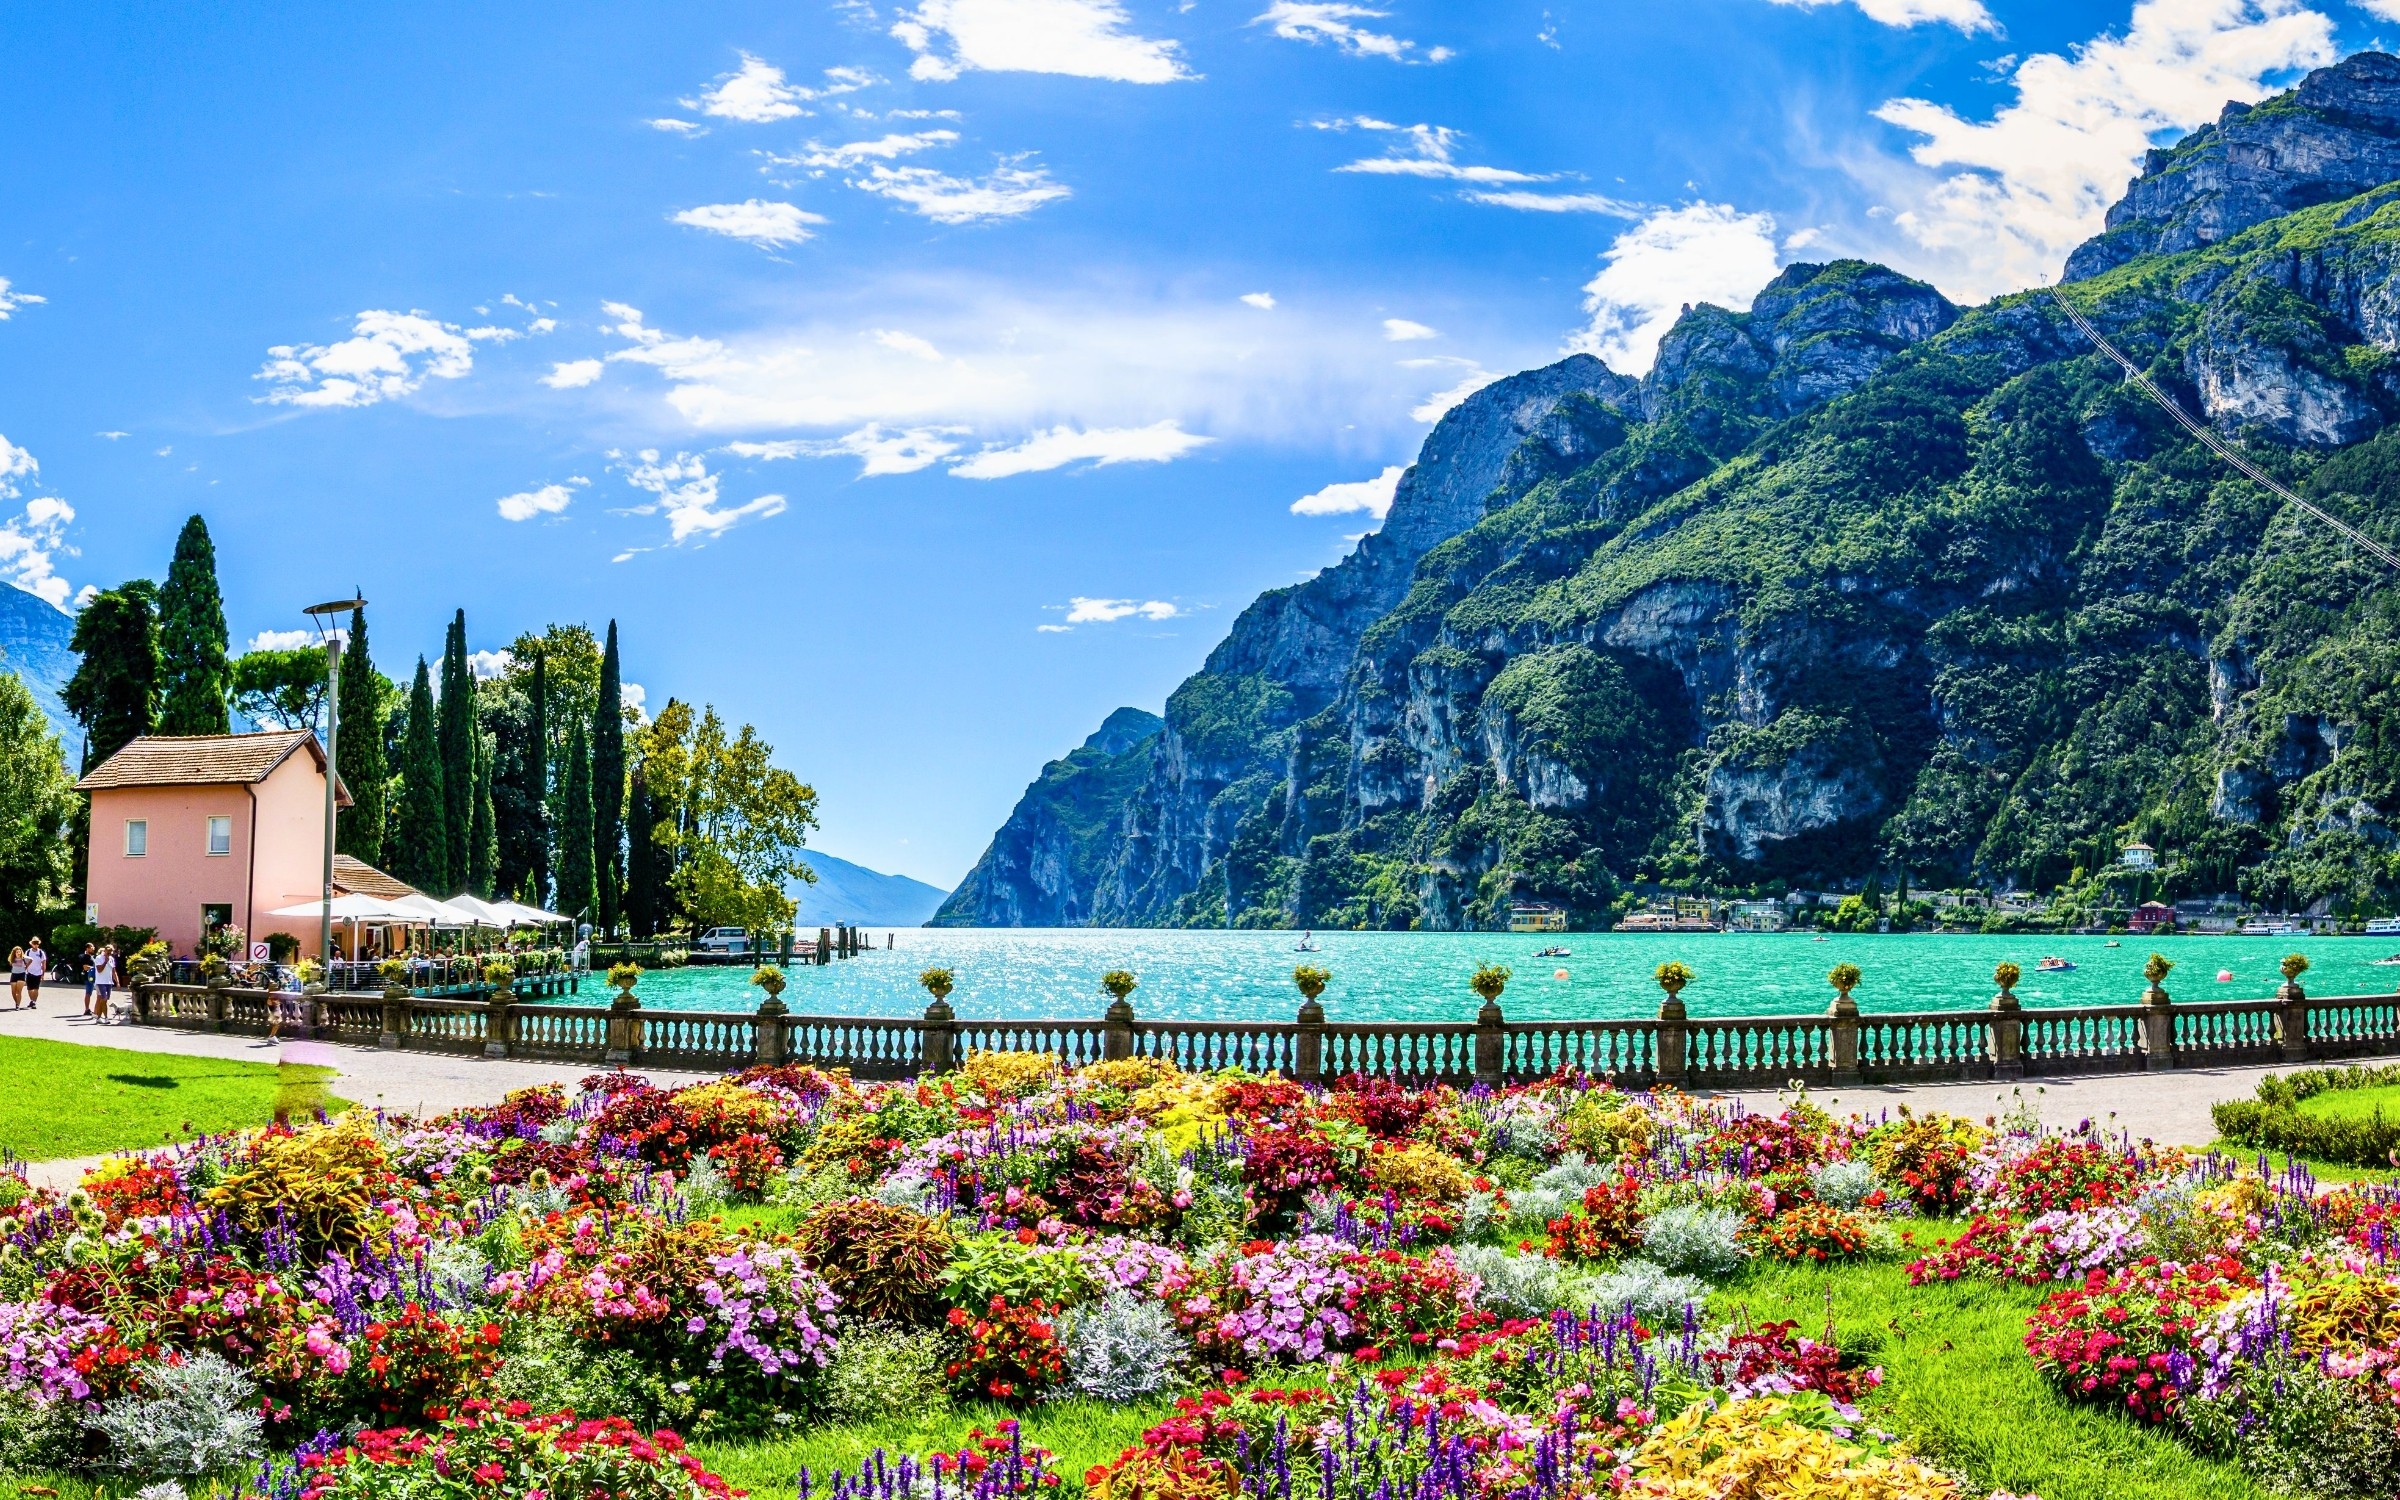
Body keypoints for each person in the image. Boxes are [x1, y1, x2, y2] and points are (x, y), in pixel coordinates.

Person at [93, 945, 117, 1022]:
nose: (109, 953)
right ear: (105, 950)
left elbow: (113, 971)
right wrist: (105, 962)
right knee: (104, 999)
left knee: (104, 1000)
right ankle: (106, 1018)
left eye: (110, 952)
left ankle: (98, 1017)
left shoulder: (111, 959)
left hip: (109, 982)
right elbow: (99, 970)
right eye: (108, 952)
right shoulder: (99, 958)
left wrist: (117, 982)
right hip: (100, 982)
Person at [23, 938, 44, 1009]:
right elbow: (25, 961)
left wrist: (43, 974)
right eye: (34, 943)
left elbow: (43, 963)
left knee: (36, 988)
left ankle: (34, 1002)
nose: (36, 945)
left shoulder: (41, 952)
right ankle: (32, 1001)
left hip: (38, 973)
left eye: (37, 943)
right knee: (29, 988)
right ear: (32, 944)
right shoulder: (28, 952)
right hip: (29, 972)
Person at [81, 942, 97, 1017]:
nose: (93, 948)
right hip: (88, 977)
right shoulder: (86, 957)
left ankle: (87, 1009)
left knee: (89, 992)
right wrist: (95, 968)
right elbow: (85, 967)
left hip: (91, 976)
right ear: (87, 949)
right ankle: (87, 1009)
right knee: (88, 992)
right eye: (91, 947)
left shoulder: (91, 956)